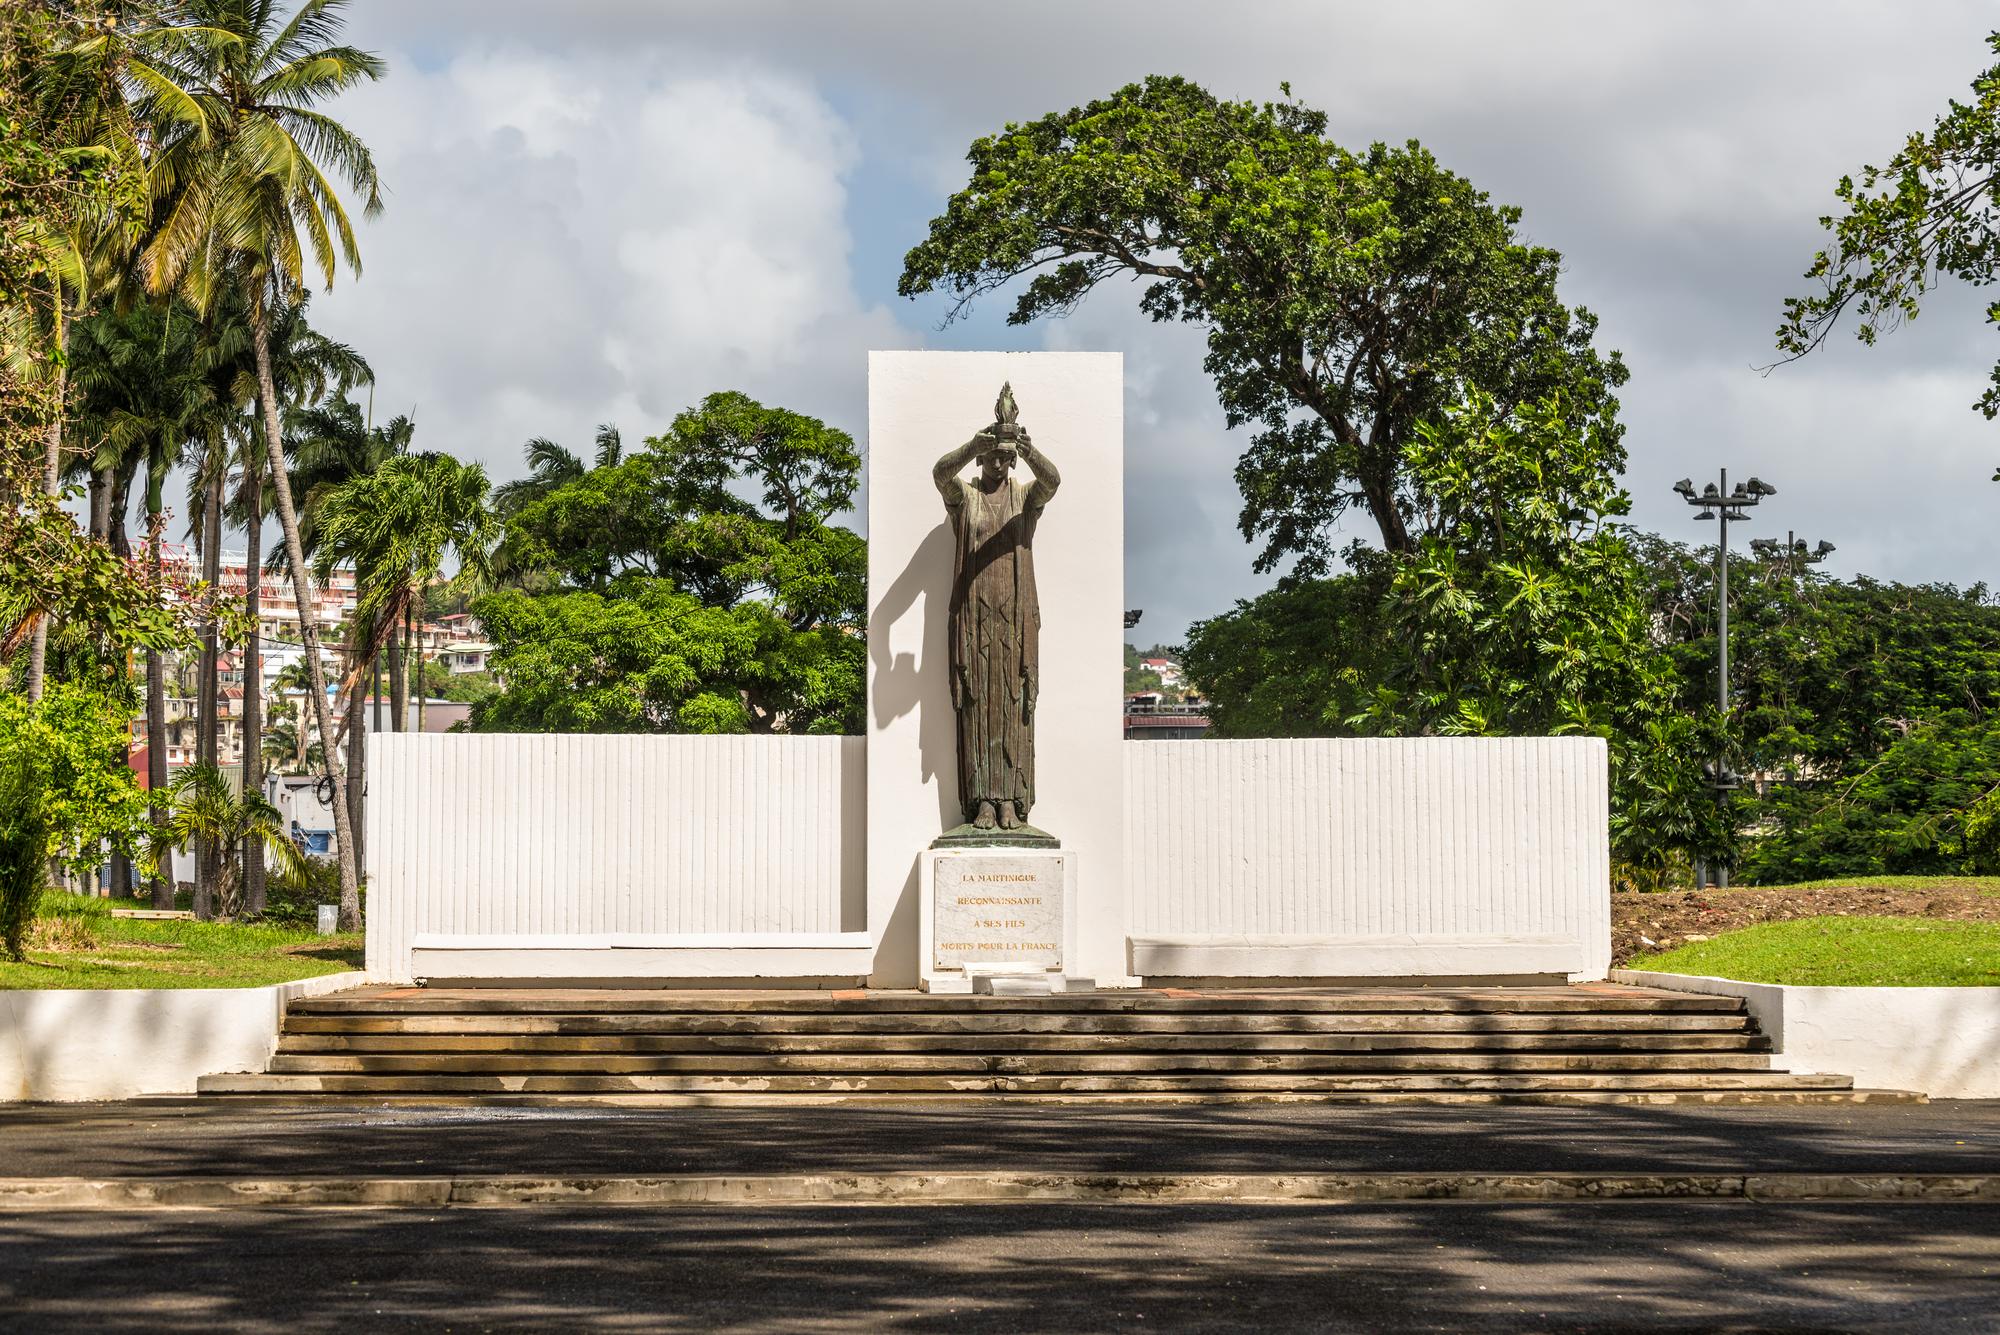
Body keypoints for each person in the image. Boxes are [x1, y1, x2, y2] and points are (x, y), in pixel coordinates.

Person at [932, 383, 1061, 832]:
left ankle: (1011, 799)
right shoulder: (965, 499)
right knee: (978, 704)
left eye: (1006, 457)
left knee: (1014, 704)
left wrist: (1030, 448)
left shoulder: (1024, 498)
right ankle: (983, 800)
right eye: (993, 456)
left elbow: (1053, 481)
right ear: (983, 456)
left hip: (1016, 622)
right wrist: (972, 445)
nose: (999, 464)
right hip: (974, 620)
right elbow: (940, 475)